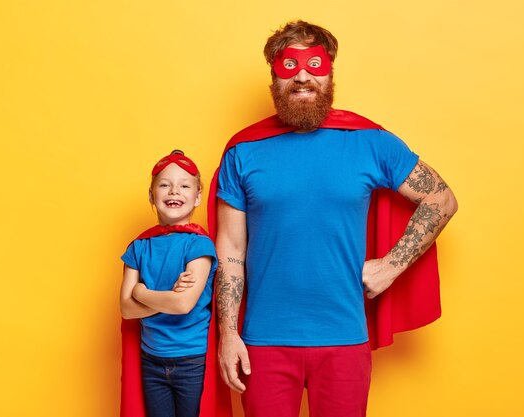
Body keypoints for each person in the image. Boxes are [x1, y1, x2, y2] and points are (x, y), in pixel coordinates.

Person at [208, 20, 458, 417]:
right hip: (263, 342)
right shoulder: (244, 152)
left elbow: (441, 199)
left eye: (315, 64)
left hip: (343, 339)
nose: (303, 76)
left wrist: (391, 267)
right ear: (274, 77)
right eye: (290, 66)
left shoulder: (369, 141)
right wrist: (227, 334)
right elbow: (231, 250)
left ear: (330, 73)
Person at [119, 150, 218, 417]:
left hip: (191, 359)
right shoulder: (139, 247)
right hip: (151, 358)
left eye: (185, 186)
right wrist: (165, 298)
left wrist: (141, 292)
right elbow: (127, 309)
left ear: (197, 196)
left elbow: (184, 304)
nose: (174, 191)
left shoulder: (199, 244)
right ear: (152, 196)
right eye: (164, 185)